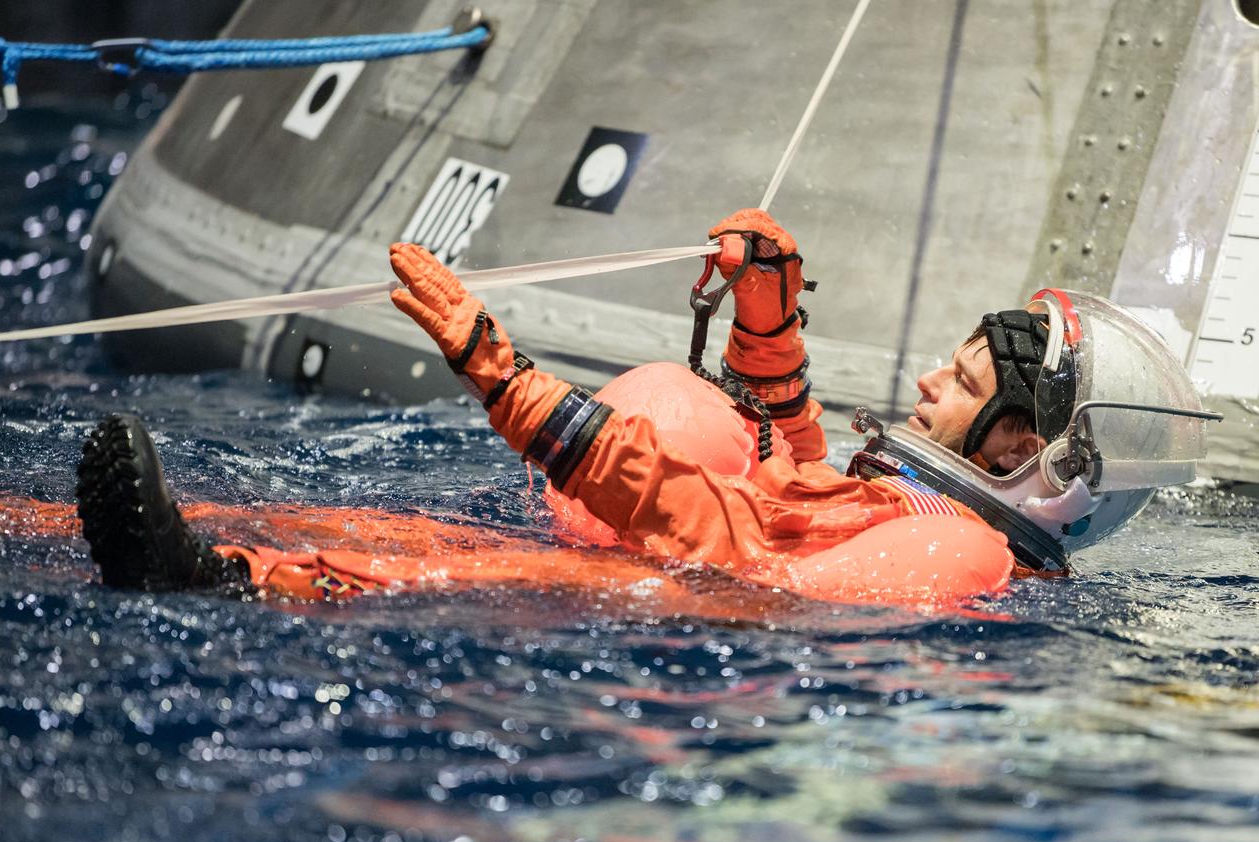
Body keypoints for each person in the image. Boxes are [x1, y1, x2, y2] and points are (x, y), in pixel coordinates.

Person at [73, 210, 1218, 604]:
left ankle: (220, 579)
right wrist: (766, 320)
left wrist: (507, 381)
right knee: (430, 547)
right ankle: (118, 538)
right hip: (680, 584)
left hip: (681, 615)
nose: (928, 380)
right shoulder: (939, 519)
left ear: (1017, 447)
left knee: (449, 566)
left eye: (962, 385)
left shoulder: (959, 558)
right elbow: (793, 484)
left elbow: (740, 544)